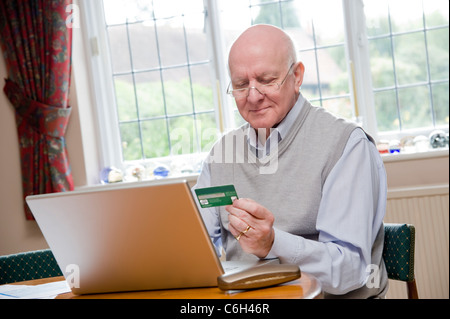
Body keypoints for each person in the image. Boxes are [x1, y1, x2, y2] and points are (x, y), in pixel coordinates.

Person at [192, 24, 388, 298]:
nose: (253, 96)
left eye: (267, 80)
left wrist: (271, 243)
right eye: (240, 85)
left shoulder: (346, 145)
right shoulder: (221, 155)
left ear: (297, 76)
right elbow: (195, 248)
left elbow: (350, 271)